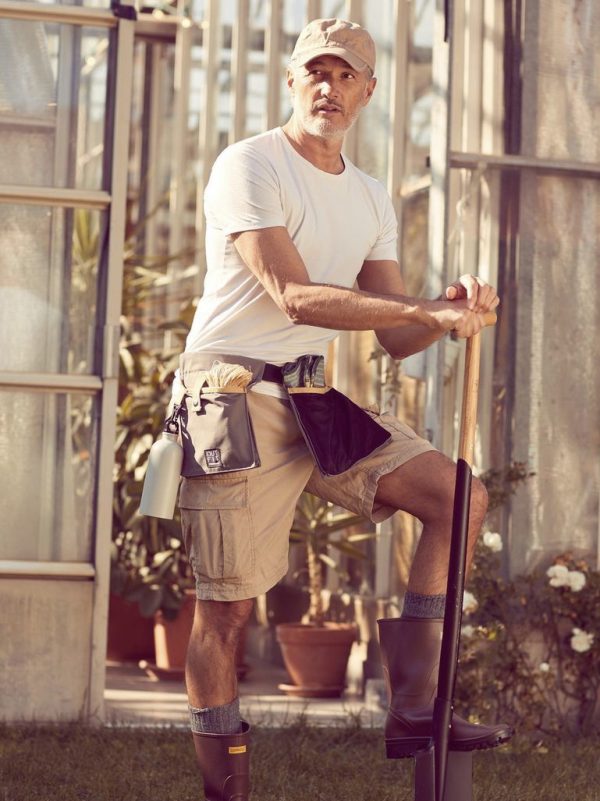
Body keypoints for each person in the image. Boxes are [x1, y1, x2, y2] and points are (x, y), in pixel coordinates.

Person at [175, 17, 512, 801]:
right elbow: (293, 294)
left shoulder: (368, 196)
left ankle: (416, 707)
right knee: (225, 614)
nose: (329, 86)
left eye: (347, 74)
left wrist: (450, 311)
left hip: (307, 393)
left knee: (458, 497)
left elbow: (395, 334)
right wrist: (424, 309)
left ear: (367, 91)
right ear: (291, 81)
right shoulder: (249, 165)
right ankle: (226, 792)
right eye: (316, 72)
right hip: (228, 392)